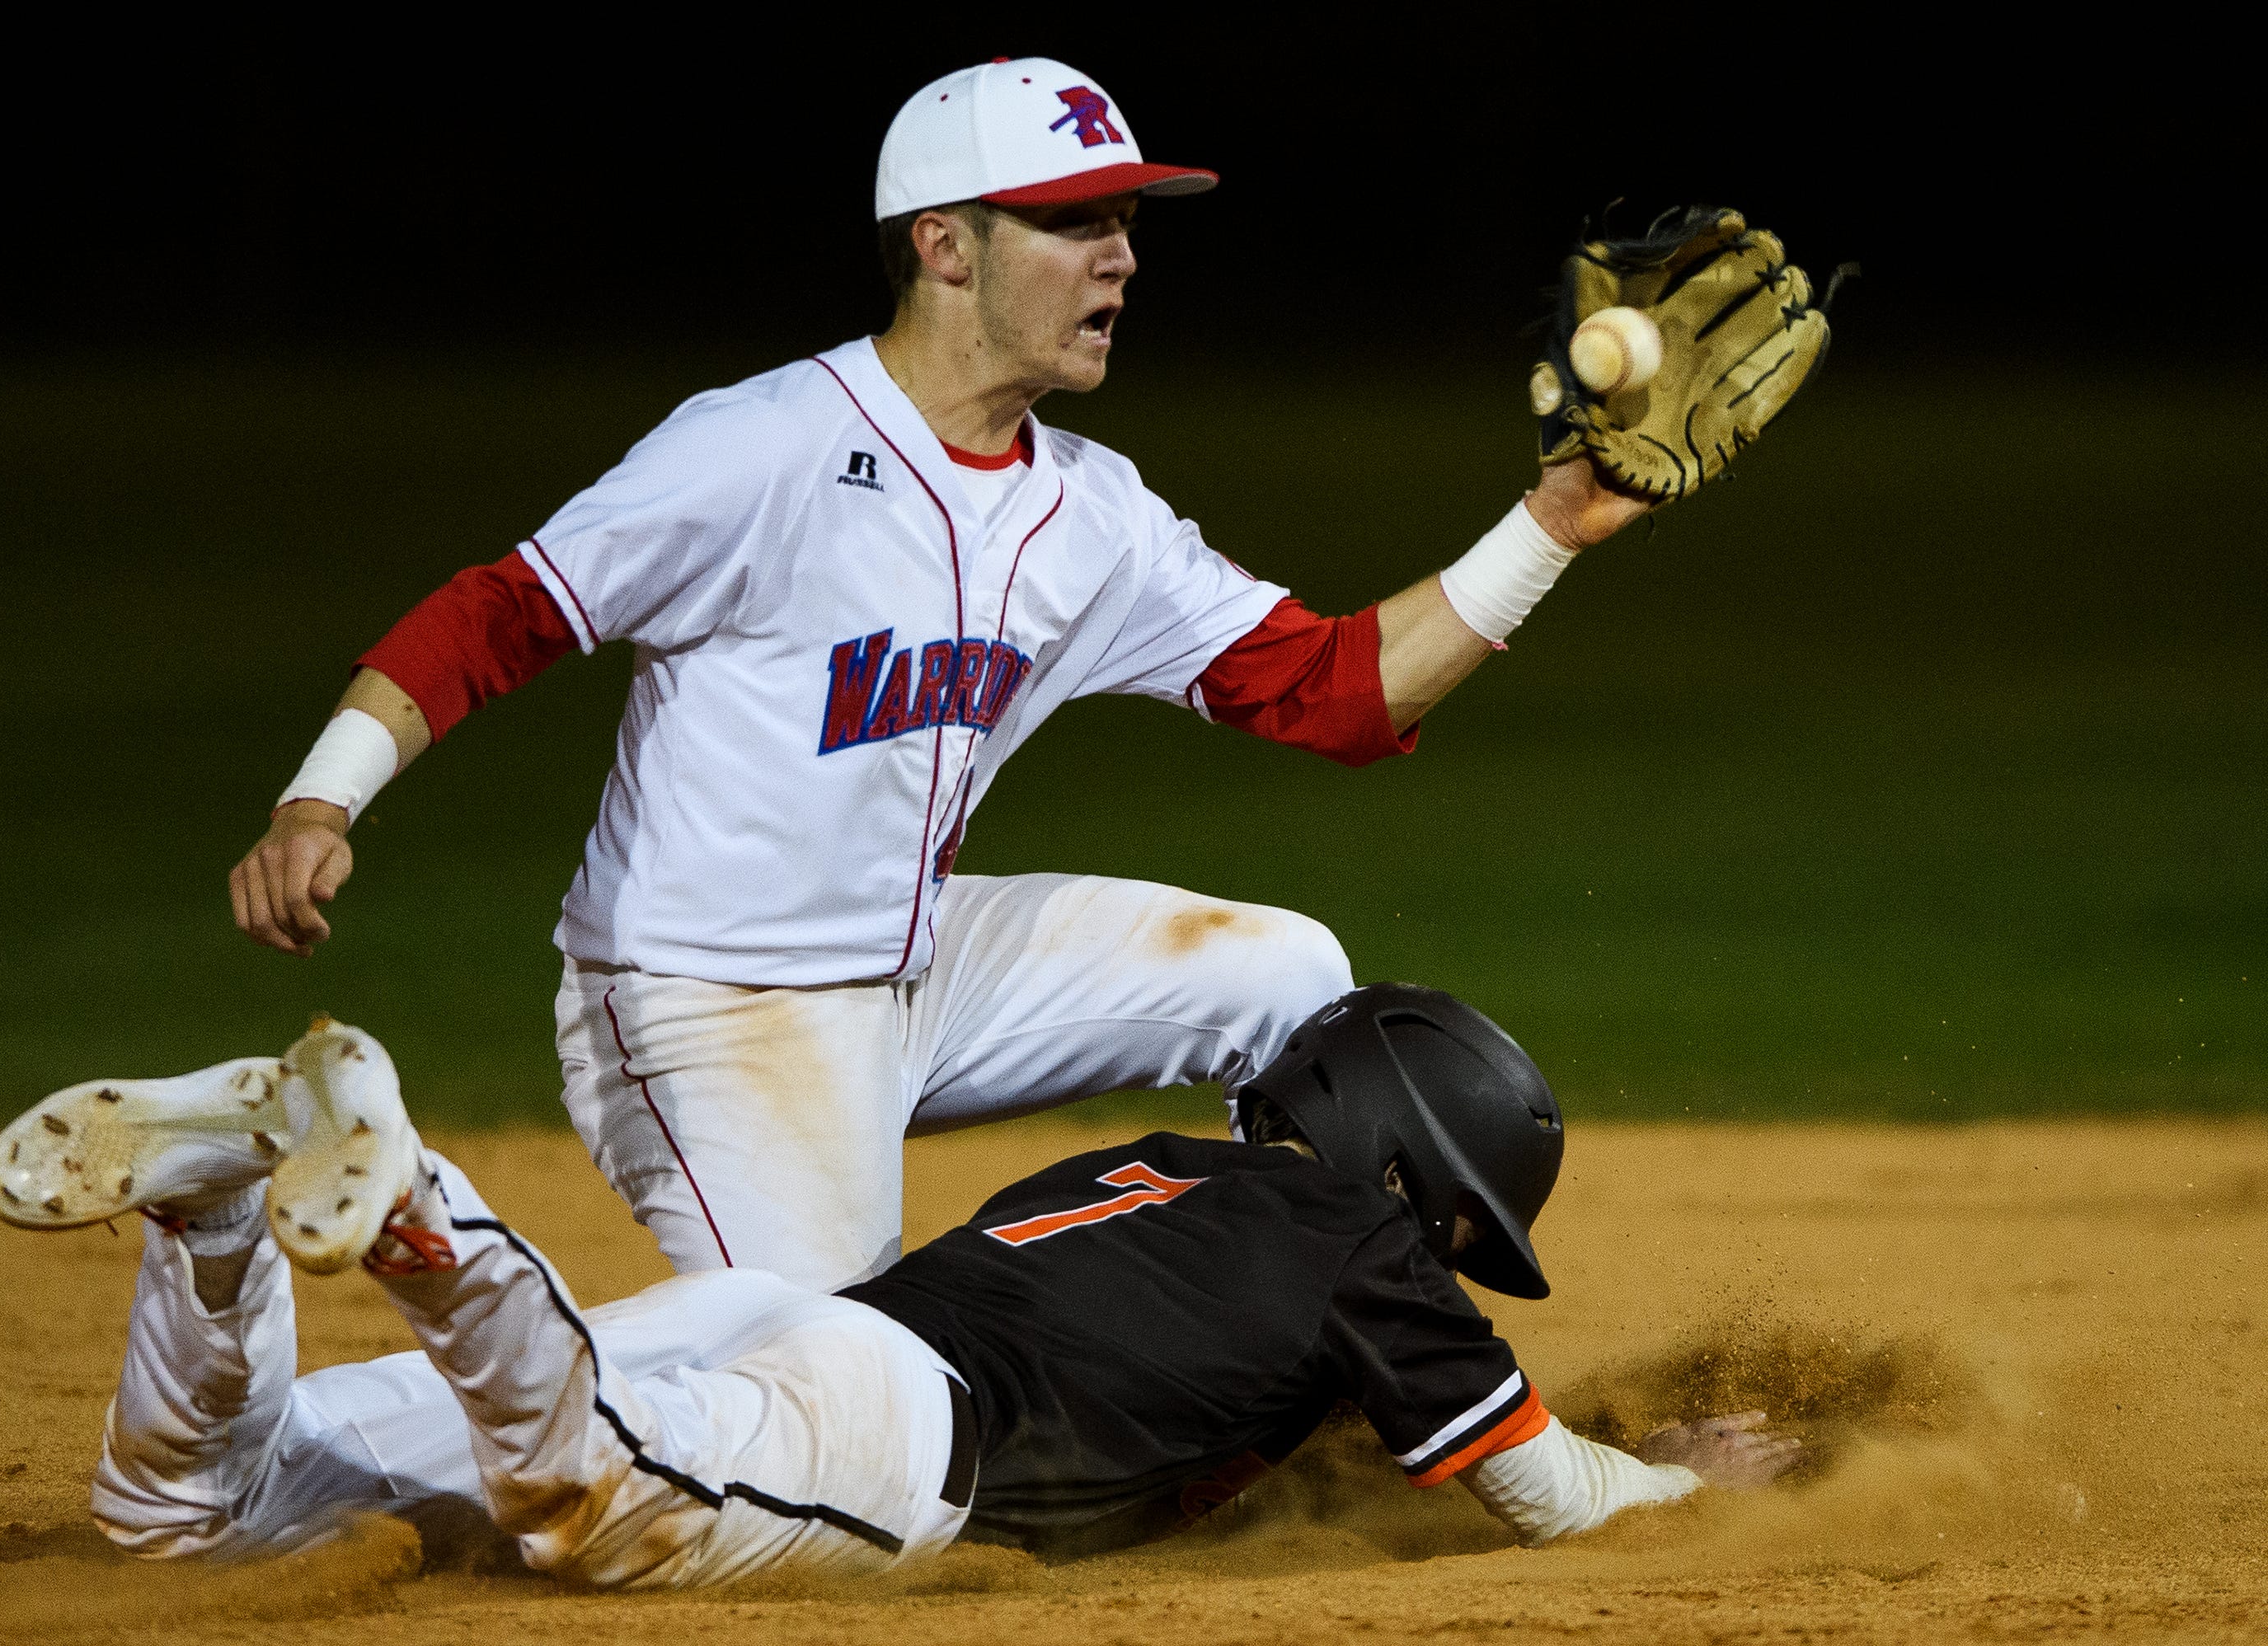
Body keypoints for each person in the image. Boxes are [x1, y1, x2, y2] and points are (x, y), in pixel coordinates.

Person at [223, 58, 1654, 1292]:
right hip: (711, 1003)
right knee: (856, 1416)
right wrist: (317, 805)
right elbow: (505, 613)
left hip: (922, 966)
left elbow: (1341, 690)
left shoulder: (1093, 513)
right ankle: (405, 1216)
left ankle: (1288, 1330)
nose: (1123, 258)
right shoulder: (764, 445)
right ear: (945, 248)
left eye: (1127, 223)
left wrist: (1557, 523)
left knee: (1291, 981)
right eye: (1075, 222)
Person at [0, 988, 1796, 1587]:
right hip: (875, 1428)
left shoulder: (1141, 1174)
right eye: (1461, 1233)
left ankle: (217, 1218)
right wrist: (1672, 1482)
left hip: (773, 1323)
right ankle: (422, 1215)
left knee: (194, 1522)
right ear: (1418, 1179)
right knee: (600, 1497)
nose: (1454, 1269)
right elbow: (1537, 1489)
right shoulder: (1363, 1245)